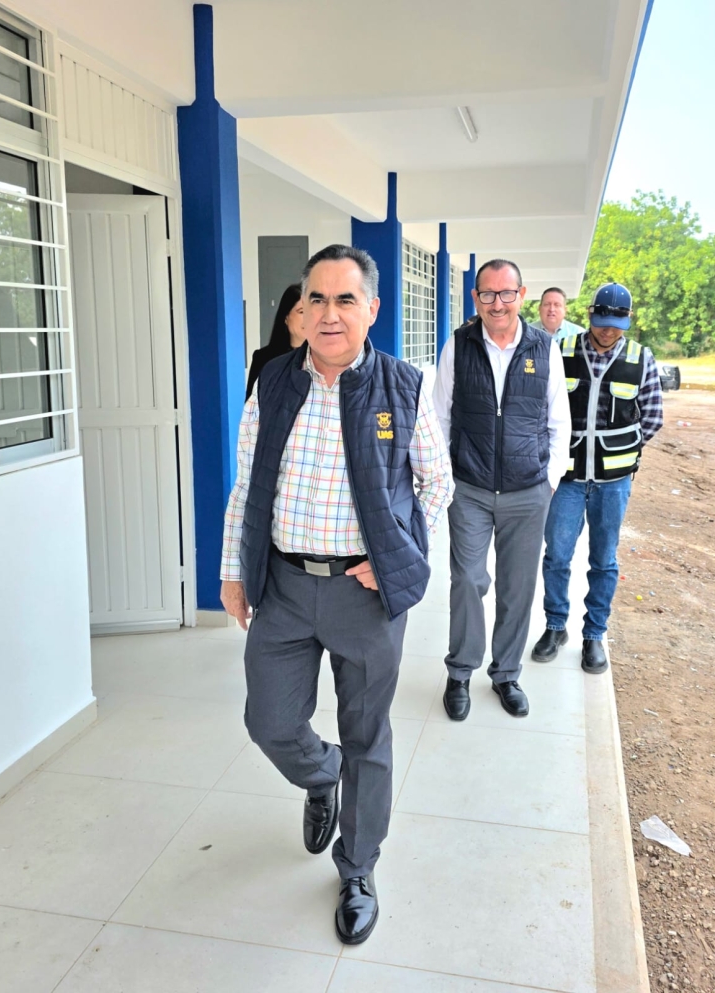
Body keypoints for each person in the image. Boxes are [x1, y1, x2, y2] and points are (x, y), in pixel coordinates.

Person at [220, 244, 453, 945]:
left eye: (344, 299)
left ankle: (357, 868)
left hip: (364, 595)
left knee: (367, 735)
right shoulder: (273, 382)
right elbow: (246, 485)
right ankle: (323, 776)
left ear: (371, 309)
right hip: (285, 585)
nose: (328, 313)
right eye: (315, 299)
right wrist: (233, 572)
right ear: (300, 309)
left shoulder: (403, 386)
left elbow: (435, 483)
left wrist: (396, 556)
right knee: (269, 721)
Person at [433, 259, 571, 721]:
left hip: (527, 492)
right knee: (468, 581)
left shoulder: (544, 349)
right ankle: (460, 672)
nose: (497, 304)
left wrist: (548, 483)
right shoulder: (458, 345)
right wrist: (446, 478)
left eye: (506, 293)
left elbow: (559, 422)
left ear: (521, 295)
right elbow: (439, 417)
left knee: (517, 587)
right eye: (488, 294)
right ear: (475, 298)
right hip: (469, 488)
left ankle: (506, 674)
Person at [532, 282, 663, 672]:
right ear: (589, 315)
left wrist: (616, 451)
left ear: (628, 321)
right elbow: (541, 409)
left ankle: (594, 634)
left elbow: (652, 417)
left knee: (604, 560)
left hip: (614, 482)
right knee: (557, 556)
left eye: (616, 325)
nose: (607, 331)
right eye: (602, 322)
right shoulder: (562, 352)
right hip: (567, 479)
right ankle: (556, 626)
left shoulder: (641, 358)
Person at [245, 283, 304, 400]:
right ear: (286, 317)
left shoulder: (323, 359)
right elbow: (252, 405)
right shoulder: (264, 358)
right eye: (301, 312)